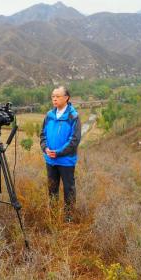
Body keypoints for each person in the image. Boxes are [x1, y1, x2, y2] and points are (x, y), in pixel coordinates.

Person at [40, 86, 81, 222]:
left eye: (58, 96)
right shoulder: (49, 115)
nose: (55, 99)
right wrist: (45, 148)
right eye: (53, 96)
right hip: (50, 160)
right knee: (52, 189)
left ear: (66, 98)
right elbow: (43, 135)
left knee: (68, 190)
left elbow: (74, 140)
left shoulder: (73, 116)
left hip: (66, 161)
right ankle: (54, 215)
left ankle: (68, 217)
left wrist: (58, 153)